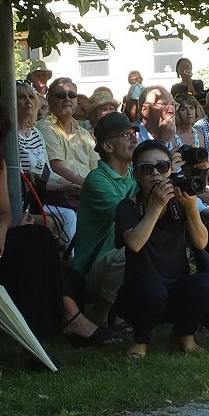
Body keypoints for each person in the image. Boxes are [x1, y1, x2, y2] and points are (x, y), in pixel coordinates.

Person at [0, 95, 118, 345]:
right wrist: (1, 232)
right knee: (39, 245)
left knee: (48, 255)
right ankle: (69, 321)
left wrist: (1, 231)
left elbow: (5, 212)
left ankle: (55, 327)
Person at [115, 140, 209, 358]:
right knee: (152, 290)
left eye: (162, 167)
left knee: (208, 283)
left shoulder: (180, 202)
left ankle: (183, 335)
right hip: (139, 293)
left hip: (175, 287)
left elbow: (201, 243)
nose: (155, 174)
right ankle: (141, 340)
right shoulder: (128, 206)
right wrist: (155, 207)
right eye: (146, 168)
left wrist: (191, 208)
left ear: (170, 170)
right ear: (136, 175)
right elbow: (134, 244)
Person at [72, 112, 139, 329]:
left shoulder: (132, 175)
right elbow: (124, 214)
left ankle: (123, 311)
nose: (134, 139)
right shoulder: (96, 180)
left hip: (111, 265)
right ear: (108, 146)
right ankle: (99, 317)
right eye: (125, 135)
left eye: (134, 133)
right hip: (90, 271)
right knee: (131, 250)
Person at [14, 81, 77, 244]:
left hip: (41, 195)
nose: (28, 101)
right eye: (21, 97)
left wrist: (69, 184)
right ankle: (68, 262)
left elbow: (47, 172)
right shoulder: (10, 136)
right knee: (68, 215)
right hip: (24, 200)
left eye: (30, 97)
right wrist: (62, 186)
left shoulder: (36, 133)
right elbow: (24, 180)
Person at [35, 77, 99, 192]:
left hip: (88, 194)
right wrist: (92, 187)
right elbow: (58, 167)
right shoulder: (45, 127)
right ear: (49, 100)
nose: (67, 98)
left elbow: (96, 168)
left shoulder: (84, 134)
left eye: (72, 95)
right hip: (62, 194)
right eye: (61, 95)